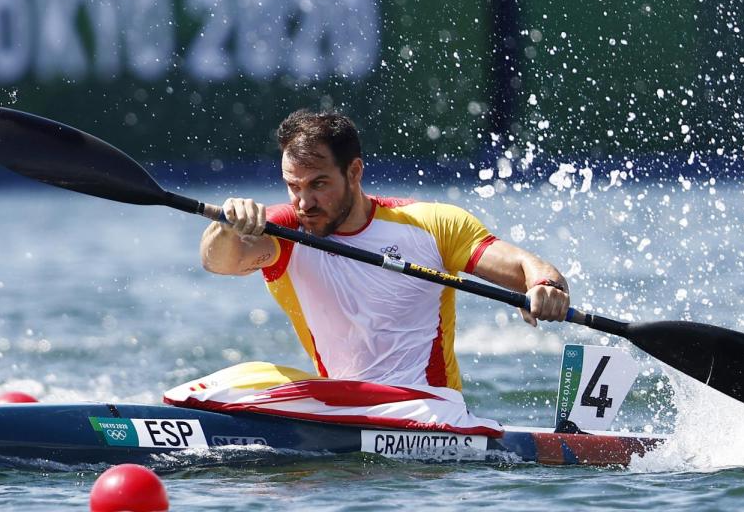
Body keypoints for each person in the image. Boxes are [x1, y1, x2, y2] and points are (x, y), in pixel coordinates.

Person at [201, 109, 570, 392]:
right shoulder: (284, 230)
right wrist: (226, 226)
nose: (304, 202)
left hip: (432, 411)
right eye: (293, 186)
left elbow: (526, 267)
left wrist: (545, 286)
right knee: (246, 379)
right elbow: (219, 261)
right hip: (346, 406)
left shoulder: (432, 226)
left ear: (354, 172)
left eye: (319, 184)